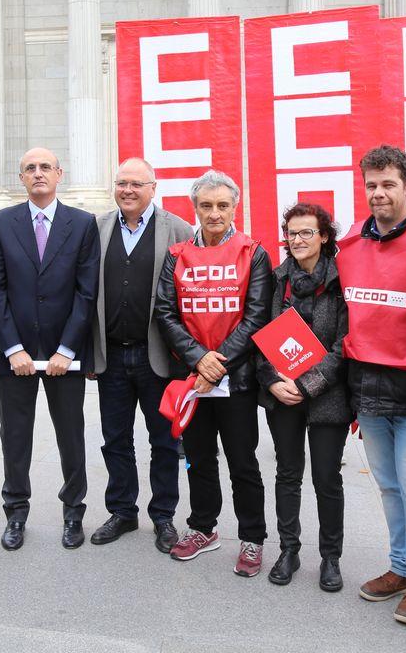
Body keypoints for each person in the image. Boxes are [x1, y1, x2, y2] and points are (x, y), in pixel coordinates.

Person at [336, 145, 406, 625]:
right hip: (369, 391)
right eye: (371, 185)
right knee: (388, 487)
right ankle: (401, 568)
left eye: (388, 184)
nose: (378, 193)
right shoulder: (351, 243)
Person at [154, 170, 273, 577]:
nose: (214, 213)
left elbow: (256, 316)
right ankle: (203, 528)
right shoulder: (177, 256)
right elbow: (165, 313)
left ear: (234, 208)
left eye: (223, 205)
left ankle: (253, 539)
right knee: (199, 459)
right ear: (195, 209)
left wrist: (216, 363)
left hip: (235, 380)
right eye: (206, 205)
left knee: (243, 462)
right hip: (193, 379)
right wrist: (198, 360)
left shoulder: (252, 252)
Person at [0, 147, 100, 551]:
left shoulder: (82, 224)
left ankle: (73, 513)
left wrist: (68, 349)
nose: (37, 173)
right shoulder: (1, 223)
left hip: (63, 357)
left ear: (59, 174)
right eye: (29, 168)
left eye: (44, 167)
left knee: (71, 435)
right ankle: (15, 513)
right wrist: (12, 348)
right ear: (21, 177)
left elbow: (86, 292)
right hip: (17, 354)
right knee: (15, 437)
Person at [88, 158, 192, 553]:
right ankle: (122, 510)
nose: (127, 190)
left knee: (164, 440)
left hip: (159, 359)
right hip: (112, 355)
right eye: (121, 183)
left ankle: (163, 516)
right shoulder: (97, 229)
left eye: (136, 183)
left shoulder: (179, 230)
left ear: (153, 187)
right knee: (115, 439)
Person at [254, 202, 351, 592]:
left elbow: (346, 345)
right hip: (282, 393)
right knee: (287, 473)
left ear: (324, 236)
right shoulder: (277, 280)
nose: (297, 240)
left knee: (328, 478)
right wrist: (271, 381)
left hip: (327, 395)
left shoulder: (343, 280)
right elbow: (257, 334)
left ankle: (330, 558)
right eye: (292, 233)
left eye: (307, 232)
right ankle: (288, 549)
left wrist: (309, 384)